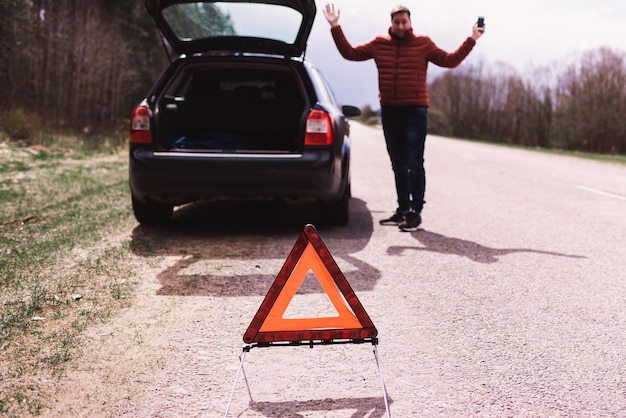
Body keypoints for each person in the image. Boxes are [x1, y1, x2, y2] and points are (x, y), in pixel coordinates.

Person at [323, 4, 485, 231]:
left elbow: (450, 60)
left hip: (415, 111)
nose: (401, 26)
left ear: (410, 22)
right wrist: (335, 26)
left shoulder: (423, 43)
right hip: (390, 111)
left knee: (414, 163)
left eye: (404, 22)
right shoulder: (379, 43)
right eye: (397, 22)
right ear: (391, 23)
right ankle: (402, 210)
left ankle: (416, 212)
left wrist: (472, 38)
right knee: (398, 164)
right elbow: (350, 53)